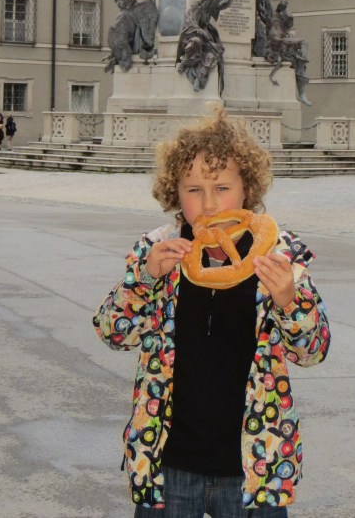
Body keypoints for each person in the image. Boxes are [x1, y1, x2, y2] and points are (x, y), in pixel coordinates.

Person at [93, 109, 330, 515]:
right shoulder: (158, 251)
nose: (207, 203)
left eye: (221, 187)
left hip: (256, 463)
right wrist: (145, 278)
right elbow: (113, 333)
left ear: (246, 190)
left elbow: (312, 352)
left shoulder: (279, 256)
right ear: (174, 192)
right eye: (193, 189)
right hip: (167, 462)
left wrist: (290, 302)